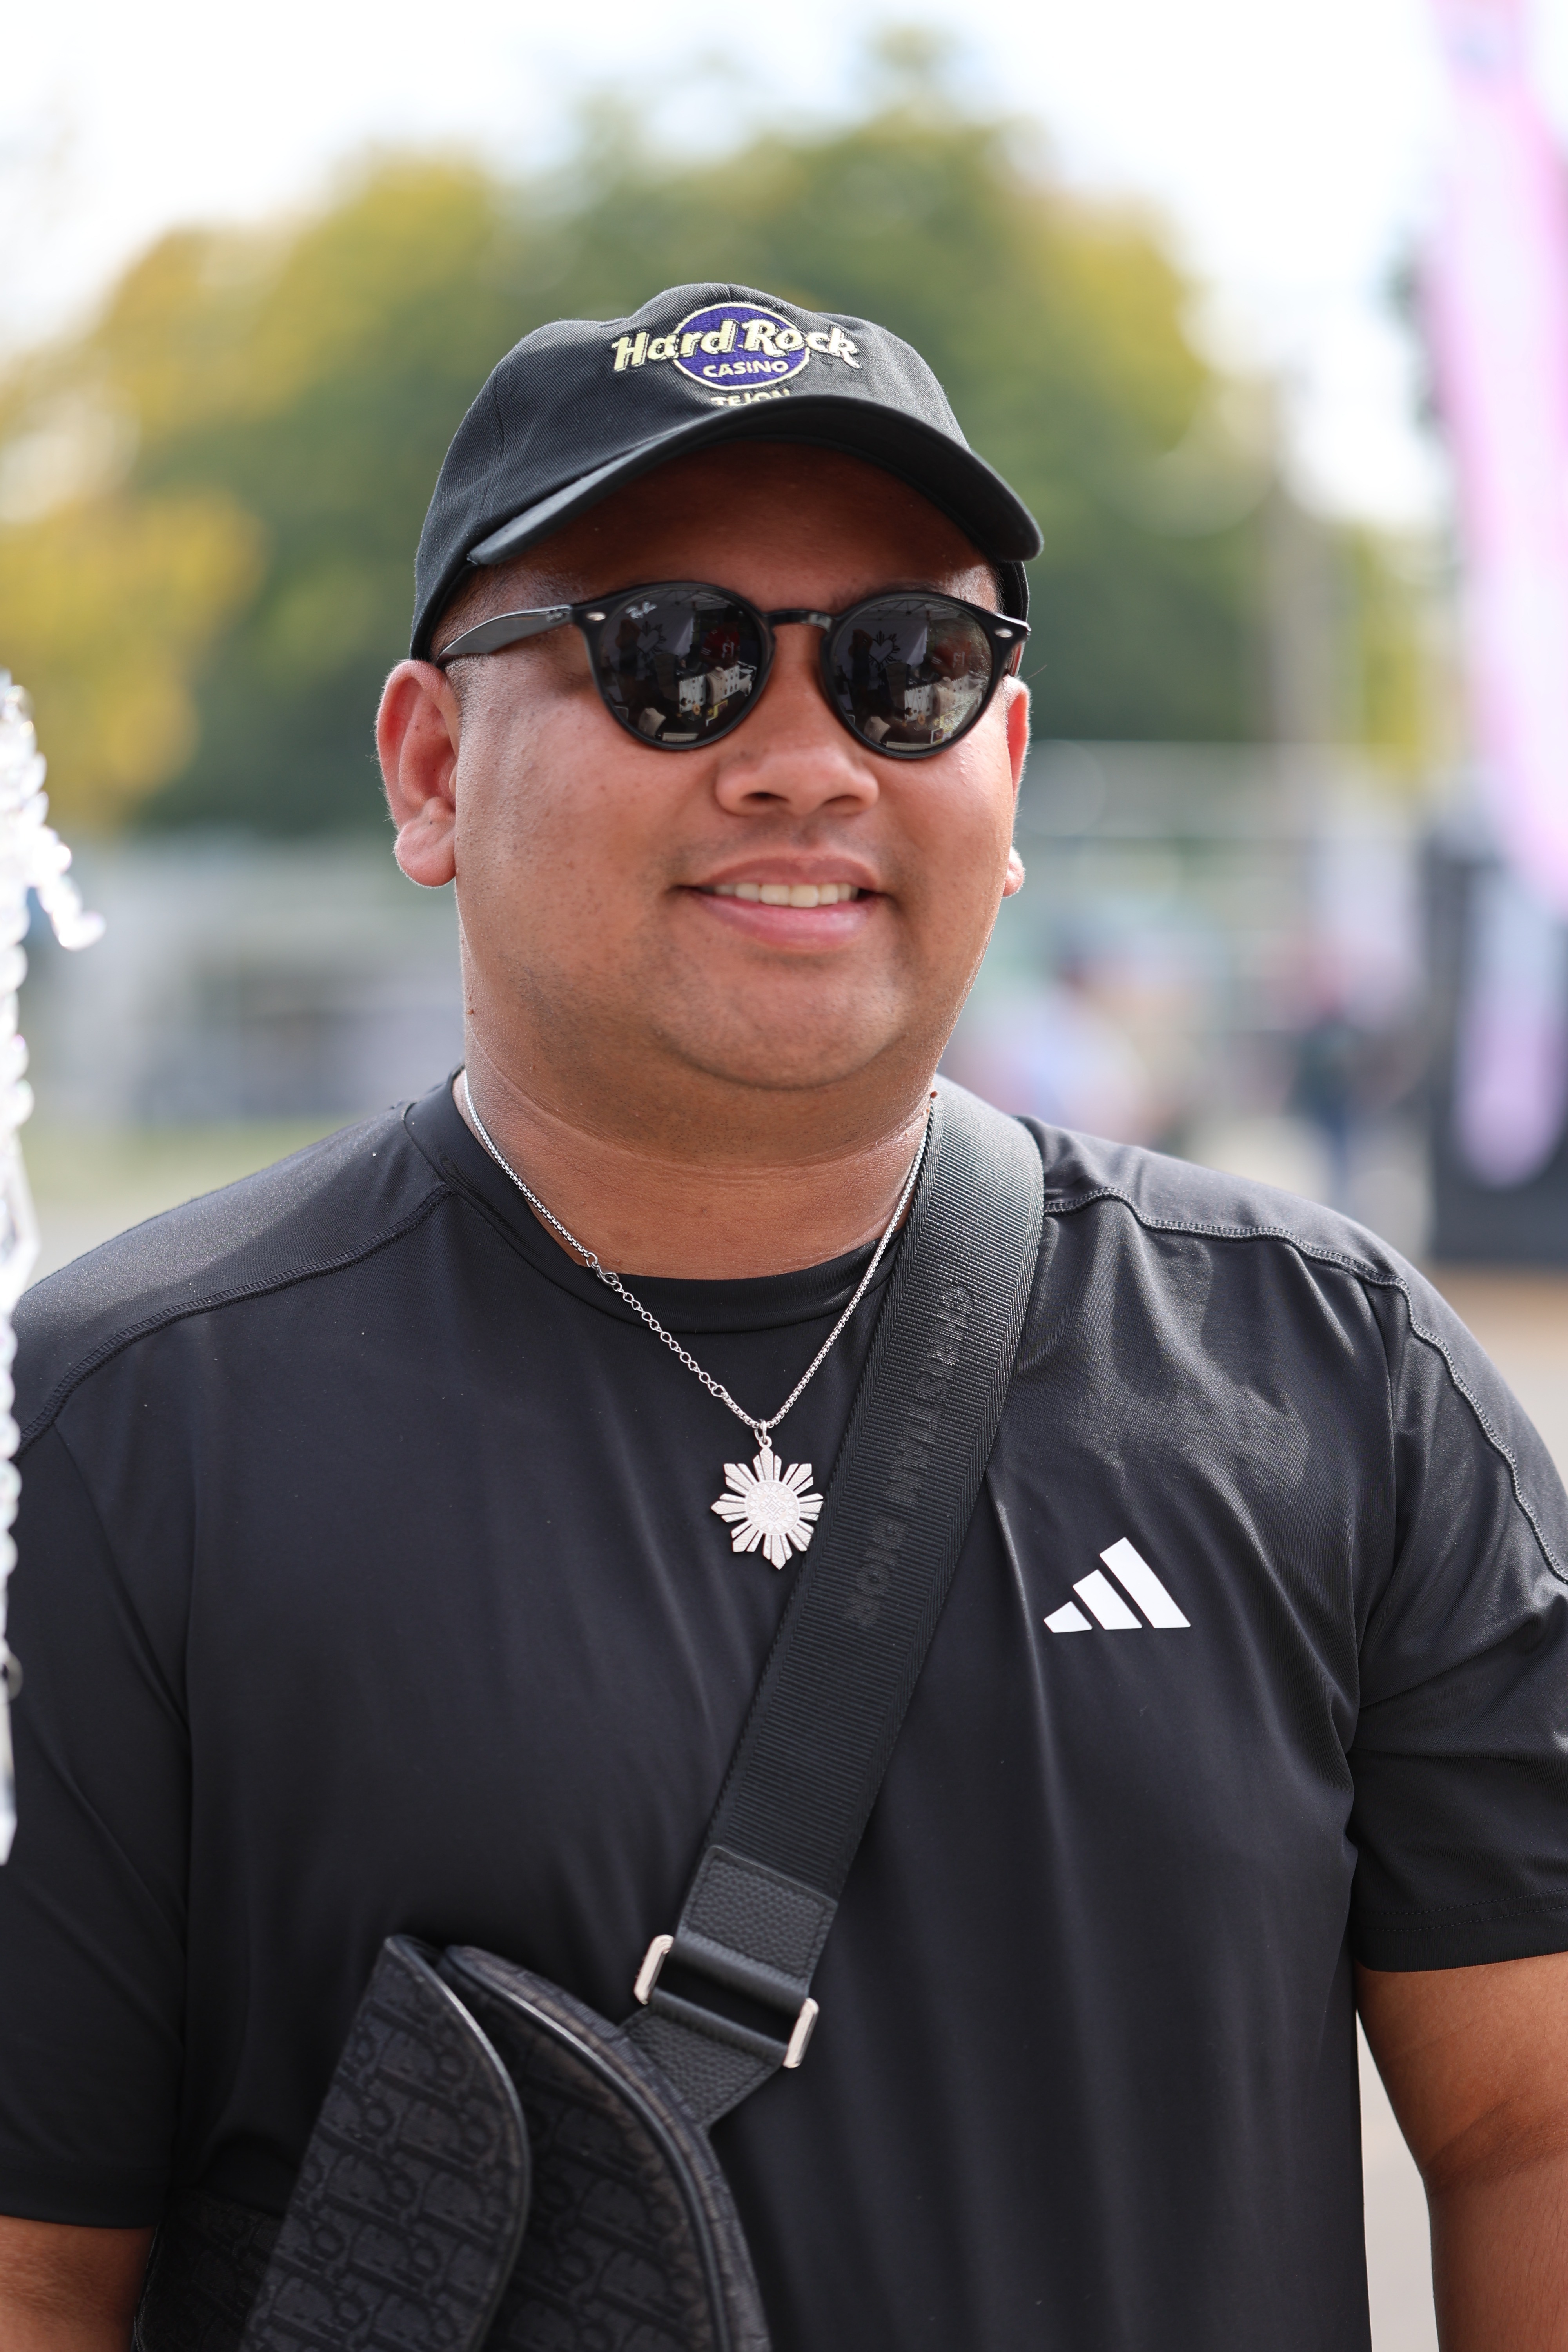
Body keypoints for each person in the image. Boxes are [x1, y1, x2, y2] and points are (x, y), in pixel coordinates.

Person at [1, 282, 1567, 2352]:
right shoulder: (115, 1433)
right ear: (429, 763)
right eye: (675, 660)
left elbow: (1530, 2122)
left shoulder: (1333, 1375)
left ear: (1001, 761)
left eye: (908, 669)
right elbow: (39, 2269)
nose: (805, 758)